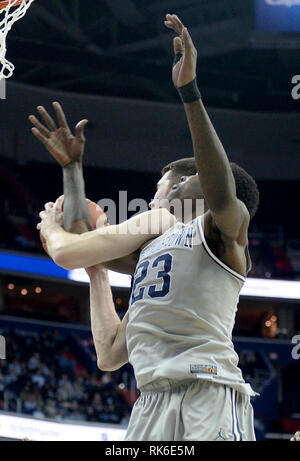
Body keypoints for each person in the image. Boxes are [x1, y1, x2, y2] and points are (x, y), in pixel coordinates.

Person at [34, 14, 263, 440]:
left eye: (161, 186)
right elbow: (107, 348)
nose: (155, 195)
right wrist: (72, 171)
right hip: (151, 400)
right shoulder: (151, 247)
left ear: (187, 184)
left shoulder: (222, 233)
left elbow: (219, 186)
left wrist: (189, 93)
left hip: (207, 392)